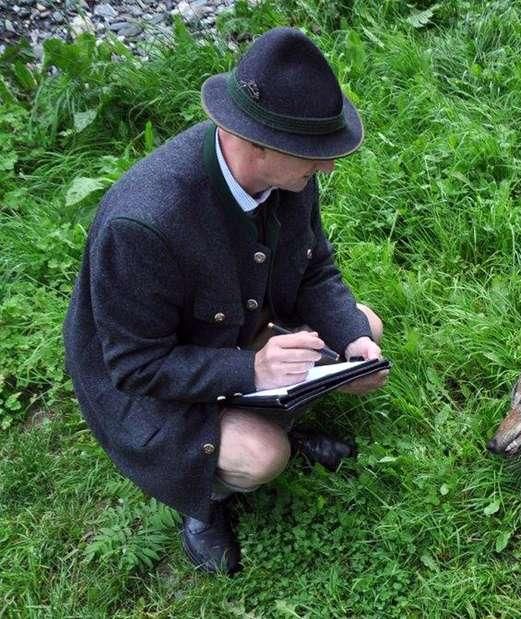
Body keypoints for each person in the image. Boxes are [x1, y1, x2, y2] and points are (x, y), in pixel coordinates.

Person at [62, 27, 387, 575]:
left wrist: (349, 336)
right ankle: (205, 501)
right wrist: (252, 368)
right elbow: (134, 366)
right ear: (255, 142)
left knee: (367, 328)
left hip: (238, 326)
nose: (326, 168)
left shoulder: (289, 175)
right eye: (316, 155)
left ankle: (274, 412)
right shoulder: (142, 224)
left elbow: (314, 269)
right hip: (150, 384)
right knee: (262, 456)